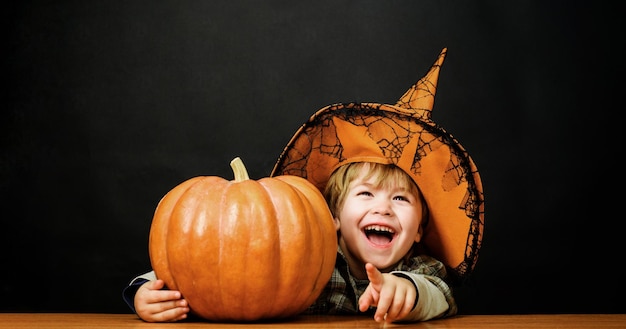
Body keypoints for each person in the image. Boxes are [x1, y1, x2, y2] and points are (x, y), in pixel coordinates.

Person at [123, 48, 485, 323]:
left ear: (420, 228)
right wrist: (146, 291)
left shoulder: (420, 268)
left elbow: (441, 294)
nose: (383, 208)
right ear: (334, 218)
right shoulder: (309, 253)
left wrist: (407, 292)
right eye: (365, 194)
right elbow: (201, 264)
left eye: (401, 199)